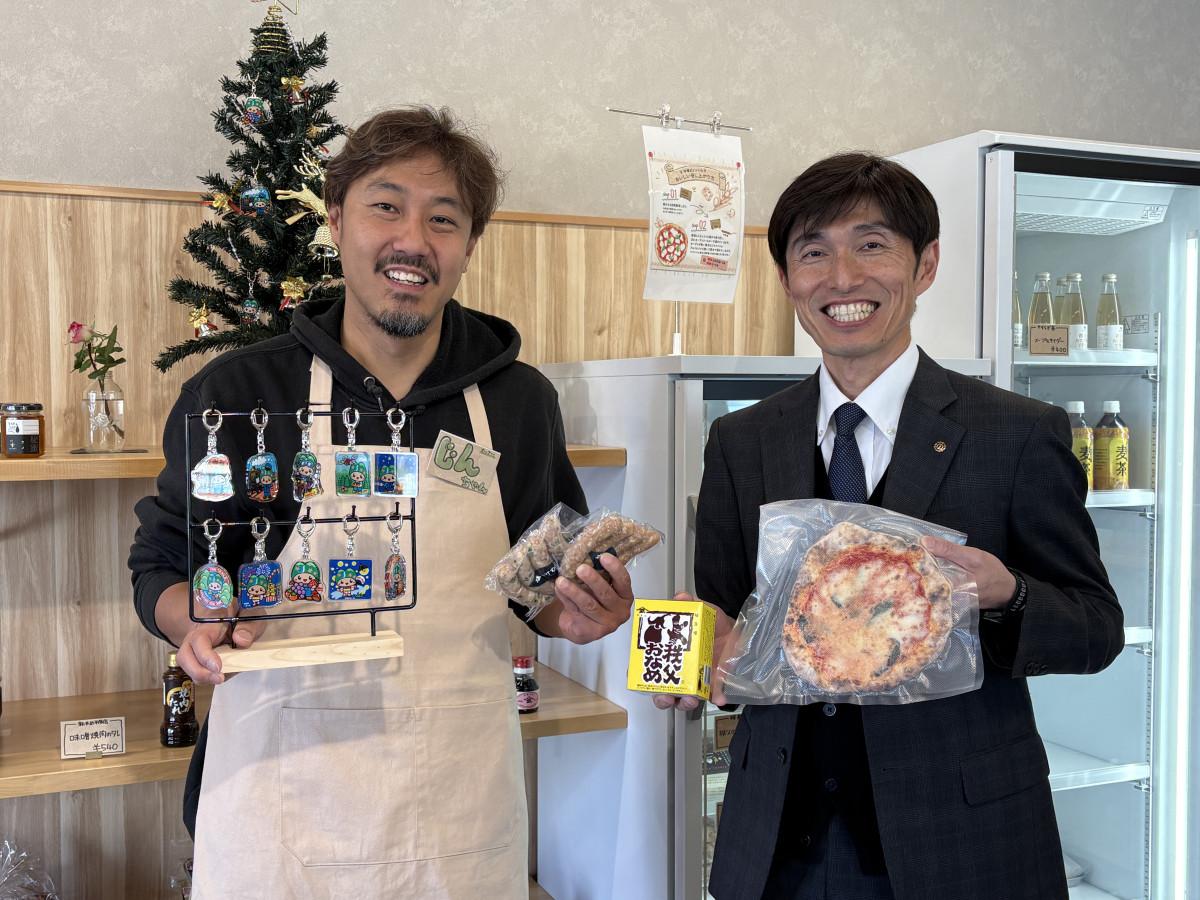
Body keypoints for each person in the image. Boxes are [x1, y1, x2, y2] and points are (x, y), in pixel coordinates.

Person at [129, 105, 633, 899]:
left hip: (458, 823)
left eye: (444, 219)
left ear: (469, 244)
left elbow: (538, 584)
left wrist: (575, 614)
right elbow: (163, 561)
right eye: (386, 206)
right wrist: (188, 619)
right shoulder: (239, 392)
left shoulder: (518, 402)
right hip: (281, 814)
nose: (413, 240)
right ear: (336, 220)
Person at [657, 152, 1123, 900]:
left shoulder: (1015, 433)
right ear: (787, 279)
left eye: (871, 245)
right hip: (778, 842)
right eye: (813, 252)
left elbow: (1096, 627)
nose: (842, 278)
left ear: (925, 264)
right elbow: (721, 608)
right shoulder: (743, 440)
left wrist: (1008, 595)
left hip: (961, 841)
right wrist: (685, 666)